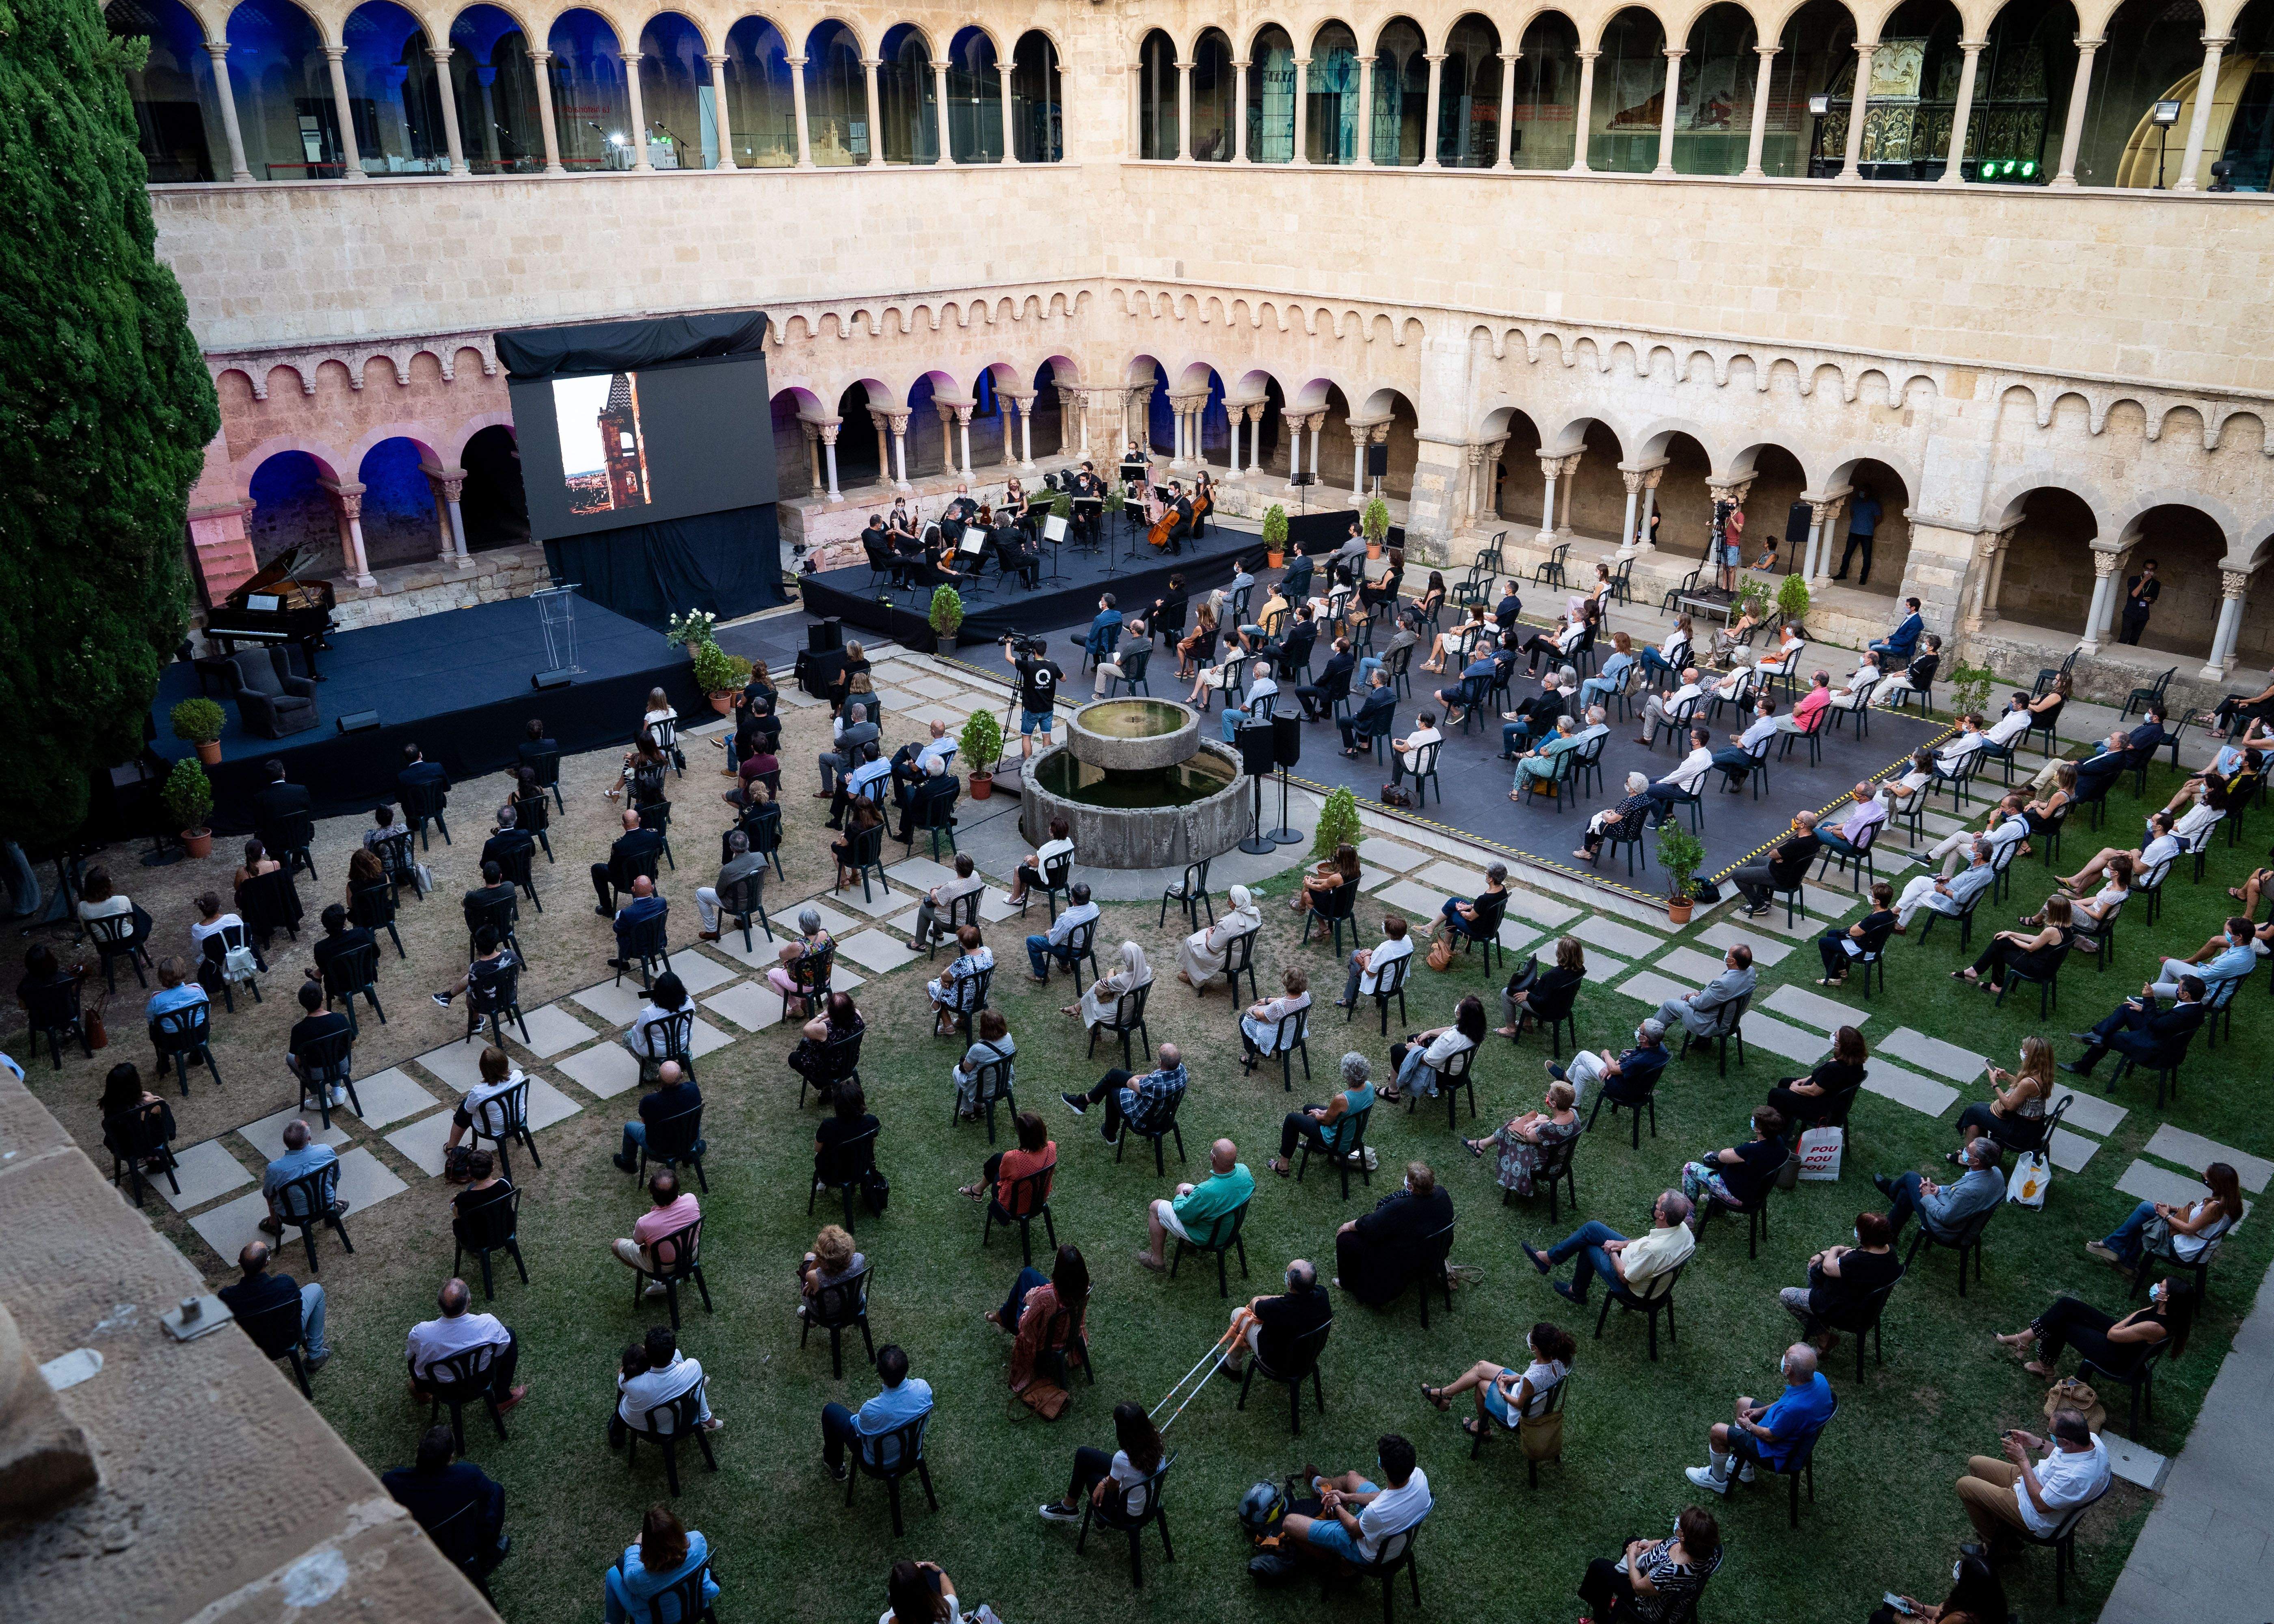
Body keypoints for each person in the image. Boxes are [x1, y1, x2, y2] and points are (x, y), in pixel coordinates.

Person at [1952, 1409, 2109, 1560]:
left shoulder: (2075, 1478)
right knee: (1976, 1463)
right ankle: (2006, 1534)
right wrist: (2037, 1442)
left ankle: (1997, 1549)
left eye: (2051, 1433)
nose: (2049, 1433)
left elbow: (2040, 1505)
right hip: (2032, 1481)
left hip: (2032, 1513)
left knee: (1964, 1486)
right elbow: (2062, 1451)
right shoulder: (2092, 1441)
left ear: (2066, 1441)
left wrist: (2022, 1460)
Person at [1683, 1343, 1835, 1496]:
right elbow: (1785, 1402)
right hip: (1793, 1432)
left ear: (1788, 1369)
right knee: (1743, 1403)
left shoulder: (1792, 1409)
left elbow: (1771, 1436)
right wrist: (1760, 1411)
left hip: (1775, 1450)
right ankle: (1743, 1467)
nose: (1784, 1354)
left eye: (1786, 1354)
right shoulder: (1819, 1379)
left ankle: (1718, 1480)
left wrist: (1749, 1425)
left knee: (1718, 1431)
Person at [1997, 1275, 2193, 1382]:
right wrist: (2124, 1324)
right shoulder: (2162, 1309)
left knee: (2063, 1323)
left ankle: (2040, 1360)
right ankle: (2026, 1342)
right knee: (2067, 1306)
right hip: (2123, 1339)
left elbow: (2114, 1334)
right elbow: (2133, 1318)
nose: (2157, 1286)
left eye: (2162, 1286)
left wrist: (2120, 1326)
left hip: (2116, 1356)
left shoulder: (2155, 1326)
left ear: (2167, 1298)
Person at [1279, 1435, 1433, 1570]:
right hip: (1391, 1536)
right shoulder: (1419, 1478)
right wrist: (1348, 1497)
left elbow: (1354, 1530)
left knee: (1289, 1523)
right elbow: (1384, 1496)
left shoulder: (1376, 1513)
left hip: (1366, 1550)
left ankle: (1341, 1565)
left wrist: (1337, 1505)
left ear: (1384, 1468)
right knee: (1352, 1477)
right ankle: (1317, 1484)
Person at [1524, 1190, 1697, 1307]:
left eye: (1657, 1205)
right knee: (1592, 1228)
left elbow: (1624, 1277)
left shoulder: (1653, 1251)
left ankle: (1577, 1292)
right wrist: (1621, 1244)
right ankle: (1547, 1259)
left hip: (1633, 1288)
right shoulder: (1684, 1231)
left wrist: (1613, 1251)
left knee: (1589, 1248)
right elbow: (1648, 1241)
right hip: (1641, 1263)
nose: (1654, 1205)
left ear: (1662, 1215)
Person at [1420, 1322, 1576, 1449]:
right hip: (1532, 1396)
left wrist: (1502, 1391)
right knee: (1481, 1367)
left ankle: (1483, 1428)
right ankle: (1446, 1394)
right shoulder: (1559, 1361)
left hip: (1520, 1413)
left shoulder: (1532, 1378)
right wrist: (1516, 1378)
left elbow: (1520, 1404)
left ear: (1536, 1348)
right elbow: (1538, 1381)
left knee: (1481, 1384)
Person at [383, 1425, 508, 1576]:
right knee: (497, 1491)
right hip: (464, 1544)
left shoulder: (392, 1482)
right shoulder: (468, 1475)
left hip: (423, 1551)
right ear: (450, 1457)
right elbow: (489, 1494)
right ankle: (488, 1555)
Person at [1335, 1161, 1456, 1304]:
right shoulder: (1442, 1193)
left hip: (1407, 1261)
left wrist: (1348, 1226)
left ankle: (1346, 1283)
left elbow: (1371, 1225)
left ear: (1410, 1187)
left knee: (1345, 1240)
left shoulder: (1401, 1207)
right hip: (1435, 1254)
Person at [1780, 1211, 1902, 1350]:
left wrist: (1834, 1249)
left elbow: (1828, 1267)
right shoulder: (1888, 1250)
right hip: (1864, 1302)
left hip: (1845, 1309)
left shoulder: (1859, 1262)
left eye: (1859, 1230)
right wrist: (1824, 1254)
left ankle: (1824, 1337)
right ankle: (1819, 1317)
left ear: (1867, 1237)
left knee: (1786, 1295)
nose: (1857, 1232)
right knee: (1814, 1268)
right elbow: (1850, 1254)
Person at [1577, 1506, 1721, 1623]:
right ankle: (1619, 1599)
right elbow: (1672, 1542)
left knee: (1599, 1568)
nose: (1677, 1522)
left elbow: (1638, 1587)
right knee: (1631, 1540)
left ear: (1684, 1538)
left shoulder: (1671, 1572)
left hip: (1649, 1605)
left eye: (1680, 1525)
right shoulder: (1706, 1548)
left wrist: (1632, 1556)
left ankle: (1599, 1620)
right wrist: (1653, 1544)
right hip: (1659, 1586)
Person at [2088, 1161, 2240, 1270]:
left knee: (2147, 1212)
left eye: (2208, 1177)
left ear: (2216, 1184)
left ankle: (2114, 1249)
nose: (2204, 1178)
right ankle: (2125, 1260)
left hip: (2186, 1248)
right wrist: (2175, 1209)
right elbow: (2203, 1220)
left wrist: (2166, 1215)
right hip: (2196, 1244)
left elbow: (2189, 1230)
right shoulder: (2233, 1203)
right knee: (2148, 1212)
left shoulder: (2215, 1207)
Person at [406, 1276, 525, 1410]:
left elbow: (410, 1357)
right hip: (480, 1380)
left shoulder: (421, 1333)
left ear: (440, 1304)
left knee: (414, 1357)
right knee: (510, 1335)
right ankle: (502, 1398)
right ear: (469, 1301)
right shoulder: (489, 1324)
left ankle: (421, 1392)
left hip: (439, 1387)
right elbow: (501, 1350)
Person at [821, 1342, 933, 1481]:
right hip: (912, 1452)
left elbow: (858, 1430)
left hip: (880, 1464)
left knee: (830, 1411)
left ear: (880, 1374)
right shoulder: (923, 1389)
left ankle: (836, 1466)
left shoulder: (872, 1410)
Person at [1137, 1135, 1249, 1273]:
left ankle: (1157, 1261)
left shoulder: (1207, 1193)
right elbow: (1213, 1193)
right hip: (1230, 1228)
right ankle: (1188, 1244)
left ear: (1213, 1158)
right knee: (1183, 1186)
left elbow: (1184, 1214)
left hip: (1208, 1236)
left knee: (1156, 1207)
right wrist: (1195, 1191)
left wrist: (1180, 1198)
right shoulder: (1244, 1172)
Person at [1038, 1397, 1161, 1522]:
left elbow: (1112, 1488)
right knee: (1084, 1454)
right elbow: (1124, 1474)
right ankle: (1068, 1506)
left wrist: (1102, 1483)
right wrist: (1106, 1480)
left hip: (1128, 1514)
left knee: (1091, 1476)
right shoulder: (1155, 1439)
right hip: (1148, 1500)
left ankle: (1084, 1514)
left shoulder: (1122, 1459)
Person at [2062, 973, 2208, 1077]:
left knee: (2108, 1037)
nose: (2177, 989)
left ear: (2186, 995)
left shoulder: (2185, 1014)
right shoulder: (2195, 1007)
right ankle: (2098, 1034)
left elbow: (2154, 1024)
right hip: (2162, 1037)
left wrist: (2149, 1000)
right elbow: (2166, 1020)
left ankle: (2083, 1066)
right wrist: (2144, 1009)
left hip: (2154, 1049)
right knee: (2128, 1009)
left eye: (2179, 988)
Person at [219, 1240, 330, 1368]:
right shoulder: (284, 1284)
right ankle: (316, 1355)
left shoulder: (227, 1297)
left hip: (253, 1344)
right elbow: (298, 1303)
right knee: (316, 1289)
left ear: (239, 1262)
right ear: (267, 1262)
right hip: (289, 1337)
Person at [1267, 1050, 1374, 1175]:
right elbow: (1340, 1112)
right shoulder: (1369, 1087)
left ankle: (1282, 1167)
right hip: (1353, 1134)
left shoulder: (1342, 1099)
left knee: (1291, 1119)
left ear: (1348, 1076)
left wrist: (1317, 1115)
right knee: (1308, 1108)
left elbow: (1326, 1121)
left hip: (1337, 1141)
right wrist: (1321, 1112)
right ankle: (1317, 1146)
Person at [605, 1505, 718, 1624]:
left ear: (649, 1546)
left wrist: (636, 1545)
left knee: (613, 1574)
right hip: (697, 1603)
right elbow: (686, 1539)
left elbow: (629, 1577)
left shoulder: (640, 1577)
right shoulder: (698, 1541)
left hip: (659, 1619)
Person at [1061, 1040, 1187, 1145]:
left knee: (1112, 1089)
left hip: (1145, 1119)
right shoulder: (1182, 1070)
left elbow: (1131, 1083)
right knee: (1114, 1075)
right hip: (1165, 1116)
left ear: (1161, 1062)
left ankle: (1109, 1133)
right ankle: (1083, 1102)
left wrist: (1136, 1077)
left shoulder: (1152, 1084)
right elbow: (1153, 1078)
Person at [1874, 1136, 2004, 1237]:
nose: (1965, 1150)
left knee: (1910, 1177)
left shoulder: (1970, 1191)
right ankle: (1889, 1235)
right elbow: (1959, 1190)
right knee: (1906, 1193)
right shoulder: (1996, 1173)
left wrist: (1928, 1196)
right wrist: (1940, 1189)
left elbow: (1945, 1218)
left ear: (1976, 1162)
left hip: (1944, 1228)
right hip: (1958, 1213)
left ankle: (1891, 1190)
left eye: (1969, 1150)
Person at [616, 1320, 722, 1439]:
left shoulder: (628, 1381)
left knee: (690, 1374)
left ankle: (703, 1407)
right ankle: (707, 1417)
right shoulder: (693, 1366)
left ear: (647, 1355)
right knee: (694, 1379)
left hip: (638, 1421)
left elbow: (623, 1377)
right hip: (674, 1421)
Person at [1680, 1106, 1790, 1220]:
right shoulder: (1779, 1142)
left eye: (1755, 1121)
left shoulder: (1752, 1150)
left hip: (1737, 1195)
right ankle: (1716, 1205)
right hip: (1756, 1192)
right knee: (1711, 1160)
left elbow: (1723, 1157)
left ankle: (1688, 1218)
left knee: (1690, 1168)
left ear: (1760, 1130)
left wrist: (1729, 1150)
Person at [1956, 893, 2072, 993]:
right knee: (2001, 942)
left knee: (1999, 950)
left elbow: (2031, 948)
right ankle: (1974, 972)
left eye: (2048, 907)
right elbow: (2037, 938)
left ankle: (1995, 985)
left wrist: (2012, 938)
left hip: (2036, 968)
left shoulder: (2051, 931)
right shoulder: (2067, 928)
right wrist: (2011, 933)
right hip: (2046, 964)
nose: (2046, 909)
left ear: (2055, 912)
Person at [1553, 1015, 1669, 1113]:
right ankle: (1574, 1107)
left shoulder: (1640, 1060)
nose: (1638, 1029)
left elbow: (1614, 1069)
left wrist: (1606, 1055)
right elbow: (1626, 1064)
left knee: (1583, 1055)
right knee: (1581, 1071)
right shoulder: (1660, 1048)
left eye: (1640, 1030)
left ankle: (1566, 1078)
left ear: (1644, 1039)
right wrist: (1617, 1065)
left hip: (1622, 1088)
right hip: (1636, 1085)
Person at [1386, 994, 1485, 1102]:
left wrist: (1415, 1049)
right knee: (1414, 1037)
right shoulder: (1476, 1029)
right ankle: (1398, 1074)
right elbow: (1453, 1028)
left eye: (1460, 1007)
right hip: (1458, 1071)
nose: (1457, 1008)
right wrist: (1429, 1033)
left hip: (1442, 1076)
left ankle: (1393, 1092)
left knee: (1397, 1050)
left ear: (1464, 1017)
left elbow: (1429, 1061)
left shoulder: (1451, 1040)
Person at [1766, 1026, 1869, 1127]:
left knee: (1775, 1094)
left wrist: (1796, 1088)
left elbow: (1813, 1092)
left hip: (1820, 1109)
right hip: (1834, 1103)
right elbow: (1823, 1079)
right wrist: (1805, 1080)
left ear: (1842, 1046)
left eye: (1836, 1037)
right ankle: (1785, 1126)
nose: (1833, 1036)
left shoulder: (1833, 1069)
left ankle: (1773, 1132)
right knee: (1785, 1082)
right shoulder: (1855, 1062)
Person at [1872, 1548, 2008, 1624]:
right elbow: (1942, 1609)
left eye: (1960, 1570)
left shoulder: (1962, 1618)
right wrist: (1921, 1608)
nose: (1957, 1568)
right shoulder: (1985, 1600)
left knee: (1879, 1618)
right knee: (1890, 1606)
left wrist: (1903, 1621)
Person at [1651, 944, 1755, 1041]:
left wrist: (1691, 998)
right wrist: (1699, 993)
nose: (1726, 954)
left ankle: (1650, 1035)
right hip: (1730, 1020)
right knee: (1686, 995)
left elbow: (1699, 1005)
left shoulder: (1723, 984)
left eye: (1729, 954)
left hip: (1710, 1022)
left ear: (1733, 961)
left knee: (1669, 1005)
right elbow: (1719, 995)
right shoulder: (1750, 972)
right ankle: (1702, 1043)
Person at [2062, 812, 2178, 899]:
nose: (2149, 822)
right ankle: (2077, 886)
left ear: (2159, 828)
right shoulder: (2170, 841)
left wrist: (2135, 854)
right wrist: (2131, 855)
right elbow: (2153, 858)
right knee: (2107, 853)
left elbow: (2139, 870)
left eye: (2152, 821)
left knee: (2105, 863)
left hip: (2142, 880)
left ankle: (2077, 886)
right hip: (2153, 876)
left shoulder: (2156, 847)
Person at [257, 1117, 340, 1238]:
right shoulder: (326, 1151)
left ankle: (274, 1224)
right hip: (326, 1204)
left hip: (293, 1216)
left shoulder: (275, 1169)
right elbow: (336, 1177)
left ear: (285, 1142)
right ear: (309, 1138)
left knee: (271, 1194)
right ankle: (332, 1212)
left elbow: (268, 1194)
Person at [1892, 839, 1996, 930]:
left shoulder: (1980, 875)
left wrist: (1944, 891)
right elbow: (1966, 884)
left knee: (1919, 897)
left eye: (1972, 849)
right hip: (1949, 887)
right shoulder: (1978, 864)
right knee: (1919, 881)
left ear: (1979, 855)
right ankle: (1896, 910)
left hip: (1954, 905)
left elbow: (1961, 898)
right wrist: (1949, 880)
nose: (1969, 850)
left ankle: (1900, 926)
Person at [443, 1045, 525, 1159]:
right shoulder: (519, 1075)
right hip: (518, 1119)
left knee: (464, 1107)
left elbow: (469, 1110)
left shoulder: (479, 1093)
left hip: (493, 1129)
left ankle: (451, 1147)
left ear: (483, 1069)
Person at [1731, 812, 1820, 918]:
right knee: (1755, 861)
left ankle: (1758, 906)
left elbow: (1772, 854)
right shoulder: (1814, 838)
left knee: (1737, 875)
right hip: (1791, 873)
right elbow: (1784, 852)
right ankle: (1765, 899)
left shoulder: (1796, 844)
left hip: (1778, 876)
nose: (1794, 819)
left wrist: (1777, 855)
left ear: (1802, 825)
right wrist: (1780, 855)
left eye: (1797, 818)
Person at [1176, 883, 1261, 993]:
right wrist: (1218, 930)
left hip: (1230, 959)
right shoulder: (1255, 912)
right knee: (1197, 939)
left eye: (1230, 899)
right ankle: (1189, 972)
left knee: (1191, 942)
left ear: (1235, 902)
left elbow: (1213, 949)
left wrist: (1208, 935)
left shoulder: (1227, 922)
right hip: (1245, 955)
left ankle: (1192, 976)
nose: (1228, 901)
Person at [1812, 883, 1896, 989]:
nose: (1869, 896)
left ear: (1878, 902)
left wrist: (1860, 923)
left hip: (1863, 951)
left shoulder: (1874, 919)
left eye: (1872, 895)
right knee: (1832, 933)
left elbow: (1853, 932)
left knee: (1824, 942)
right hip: (1875, 947)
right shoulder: (1888, 914)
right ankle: (1841, 969)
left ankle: (1834, 978)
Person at [282, 980, 351, 1107]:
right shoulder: (340, 1019)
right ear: (323, 998)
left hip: (316, 1072)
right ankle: (337, 1091)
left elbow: (298, 1060)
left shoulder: (299, 1030)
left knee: (290, 1058)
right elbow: (350, 1042)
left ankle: (319, 1097)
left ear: (302, 1004)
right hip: (342, 1065)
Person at [694, 829, 764, 943]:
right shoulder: (760, 857)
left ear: (731, 848)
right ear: (748, 844)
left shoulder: (729, 869)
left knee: (701, 893)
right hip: (755, 899)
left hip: (736, 904)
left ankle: (712, 931)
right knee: (741, 890)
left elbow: (719, 892)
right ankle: (741, 920)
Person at [591, 806, 664, 915]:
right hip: (649, 876)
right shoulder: (653, 835)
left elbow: (612, 869)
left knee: (596, 869)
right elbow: (661, 852)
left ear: (623, 824)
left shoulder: (620, 845)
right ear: (639, 820)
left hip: (627, 882)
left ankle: (607, 909)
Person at [1025, 880, 1098, 983]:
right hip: (1086, 946)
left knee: (1032, 941)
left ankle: (1041, 975)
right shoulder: (1094, 907)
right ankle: (1064, 966)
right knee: (1062, 933)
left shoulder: (1066, 919)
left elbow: (1053, 942)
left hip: (1070, 951)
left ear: (1072, 899)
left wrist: (1048, 933)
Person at [924, 923, 992, 1035]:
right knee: (961, 984)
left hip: (962, 1003)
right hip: (980, 997)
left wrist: (945, 981)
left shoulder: (962, 963)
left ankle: (948, 1026)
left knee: (930, 986)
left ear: (962, 944)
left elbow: (944, 975)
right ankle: (962, 1021)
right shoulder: (987, 952)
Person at [910, 854, 986, 952]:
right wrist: (943, 886)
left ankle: (919, 944)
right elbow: (956, 884)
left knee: (924, 909)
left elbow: (935, 899)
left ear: (956, 868)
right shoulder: (975, 875)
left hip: (954, 924)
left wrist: (934, 889)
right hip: (972, 919)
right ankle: (938, 932)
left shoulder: (951, 888)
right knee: (945, 906)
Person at [949, 1008, 1015, 1121]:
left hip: (983, 1091)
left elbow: (966, 1068)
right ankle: (979, 1107)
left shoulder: (978, 1049)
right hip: (1002, 1085)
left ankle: (969, 1111)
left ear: (983, 1028)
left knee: (957, 1070)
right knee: (985, 1075)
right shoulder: (1008, 1038)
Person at [430, 924, 515, 1011]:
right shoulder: (510, 955)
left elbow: (472, 986)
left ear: (477, 947)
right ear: (496, 942)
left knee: (470, 992)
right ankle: (448, 996)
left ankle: (476, 1022)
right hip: (511, 996)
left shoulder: (476, 968)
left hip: (488, 1005)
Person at [813, 1081, 880, 1192]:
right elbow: (871, 1144)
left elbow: (817, 1149)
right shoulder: (872, 1122)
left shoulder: (828, 1125)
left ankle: (822, 1184)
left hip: (832, 1173)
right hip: (860, 1169)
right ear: (861, 1101)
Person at [1239, 964, 1311, 1063]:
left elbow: (1262, 1017)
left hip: (1278, 1038)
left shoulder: (1279, 1006)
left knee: (1243, 1018)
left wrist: (1253, 1010)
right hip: (1295, 1033)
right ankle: (1261, 1049)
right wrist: (1269, 1000)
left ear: (1286, 984)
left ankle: (1250, 1058)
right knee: (1267, 1002)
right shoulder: (1305, 995)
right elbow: (1288, 1000)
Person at [1011, 634, 1066, 760]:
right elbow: (1064, 678)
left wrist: (1008, 643)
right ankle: (1045, 763)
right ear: (1045, 651)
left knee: (1026, 737)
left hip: (1032, 710)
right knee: (1047, 737)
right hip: (1048, 709)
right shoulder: (1053, 665)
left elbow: (1009, 658)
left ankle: (1028, 765)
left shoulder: (1028, 666)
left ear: (1033, 651)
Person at [1078, 939, 1154, 1031]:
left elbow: (1107, 981)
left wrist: (1111, 970)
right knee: (1097, 988)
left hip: (1119, 1017)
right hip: (1135, 1014)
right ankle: (1076, 1008)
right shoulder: (1148, 971)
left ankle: (1094, 1030)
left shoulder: (1121, 981)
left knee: (1096, 990)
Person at [1645, 728, 1716, 822]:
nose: (1689, 739)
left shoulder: (1693, 761)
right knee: (1653, 780)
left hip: (1685, 791)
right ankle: (1668, 814)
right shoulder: (1707, 753)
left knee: (1645, 790)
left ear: (1697, 742)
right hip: (1691, 786)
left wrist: (1662, 782)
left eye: (1691, 737)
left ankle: (1662, 820)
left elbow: (1677, 777)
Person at [770, 907, 837, 1006]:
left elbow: (782, 955)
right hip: (824, 979)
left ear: (802, 926)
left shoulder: (798, 946)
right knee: (802, 969)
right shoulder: (827, 935)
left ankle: (795, 1008)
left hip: (806, 986)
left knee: (772, 974)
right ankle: (804, 1004)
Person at [1004, 815, 1074, 908]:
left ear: (1052, 833)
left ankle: (1015, 897)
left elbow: (1033, 863)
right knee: (1026, 870)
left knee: (1018, 870)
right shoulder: (1069, 842)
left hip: (1045, 882)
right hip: (1060, 879)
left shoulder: (1046, 849)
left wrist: (1029, 859)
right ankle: (1021, 895)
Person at [1580, 773, 1654, 862]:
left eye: (1628, 783)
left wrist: (1604, 813)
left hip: (1623, 831)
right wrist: (1616, 812)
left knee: (1594, 821)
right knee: (1599, 821)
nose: (1626, 784)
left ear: (1633, 789)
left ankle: (1586, 851)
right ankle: (1594, 846)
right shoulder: (1644, 798)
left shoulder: (1629, 803)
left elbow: (1611, 820)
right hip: (1635, 830)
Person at [1816, 783, 1888, 869]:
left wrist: (1831, 831)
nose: (1853, 792)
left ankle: (1807, 853)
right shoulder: (1877, 807)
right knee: (1826, 824)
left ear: (1864, 797)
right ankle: (1812, 851)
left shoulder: (1860, 816)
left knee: (1814, 831)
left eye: (1856, 792)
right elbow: (1850, 824)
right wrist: (1832, 827)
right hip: (1865, 843)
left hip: (1852, 846)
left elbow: (1843, 836)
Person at [1634, 666, 1704, 747]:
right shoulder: (1698, 690)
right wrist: (1674, 698)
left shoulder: (1681, 694)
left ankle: (1643, 716)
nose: (1681, 676)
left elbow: (1666, 711)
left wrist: (1664, 699)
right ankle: (1647, 738)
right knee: (1650, 709)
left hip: (1675, 720)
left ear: (1689, 679)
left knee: (1652, 698)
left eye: (1683, 675)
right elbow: (1684, 703)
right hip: (1687, 719)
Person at [879, 1559, 962, 1624]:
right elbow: (950, 1593)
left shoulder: (885, 1620)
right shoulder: (946, 1612)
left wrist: (909, 1578)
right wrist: (940, 1571)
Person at [1338, 669, 1399, 757]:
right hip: (1385, 725)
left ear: (1376, 681)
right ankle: (1364, 745)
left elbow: (1362, 715)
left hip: (1372, 726)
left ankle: (1351, 750)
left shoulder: (1373, 699)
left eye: (1373, 677)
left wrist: (1357, 715)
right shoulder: (1391, 692)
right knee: (1364, 716)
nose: (1371, 678)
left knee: (1344, 721)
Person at [1298, 634, 1357, 721]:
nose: (1334, 644)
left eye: (1336, 643)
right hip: (1342, 689)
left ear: (1338, 649)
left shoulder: (1334, 662)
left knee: (1299, 691)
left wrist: (1316, 684)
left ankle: (1312, 715)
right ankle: (1326, 712)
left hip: (1332, 691)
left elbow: (1324, 678)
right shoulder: (1350, 657)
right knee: (1328, 682)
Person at [1876, 634, 1942, 709]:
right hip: (1918, 680)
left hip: (1917, 683)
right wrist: (1902, 671)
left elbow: (1914, 673)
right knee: (1890, 676)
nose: (1923, 645)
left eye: (1926, 643)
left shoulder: (1928, 659)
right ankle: (1888, 700)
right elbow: (1915, 666)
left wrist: (1901, 675)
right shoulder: (1932, 656)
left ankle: (1872, 700)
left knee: (1890, 682)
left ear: (1931, 648)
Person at [1833, 482, 1881, 582]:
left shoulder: (1874, 504)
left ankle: (1863, 578)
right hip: (1854, 532)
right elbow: (1852, 514)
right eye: (1861, 490)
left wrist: (1870, 526)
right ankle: (1843, 573)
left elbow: (1879, 519)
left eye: (1864, 491)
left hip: (1867, 534)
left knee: (1867, 556)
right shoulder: (1856, 501)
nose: (1862, 493)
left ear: (1869, 492)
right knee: (1847, 554)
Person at [1870, 596, 1926, 663]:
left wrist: (1890, 643)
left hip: (1903, 648)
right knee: (1872, 643)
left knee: (1874, 648)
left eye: (1907, 605)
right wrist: (1890, 639)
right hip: (1897, 642)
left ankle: (1878, 666)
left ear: (1913, 608)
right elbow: (1900, 634)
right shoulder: (1910, 618)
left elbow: (1906, 640)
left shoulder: (1916, 622)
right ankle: (1884, 667)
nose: (1905, 607)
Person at [2118, 557, 2159, 644]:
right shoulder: (2133, 579)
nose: (2149, 571)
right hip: (2130, 613)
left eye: (2152, 570)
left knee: (2135, 639)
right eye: (2147, 569)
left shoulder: (2156, 584)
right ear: (2144, 569)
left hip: (2143, 615)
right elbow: (2134, 594)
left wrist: (2150, 599)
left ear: (2155, 571)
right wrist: (2144, 581)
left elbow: (2153, 601)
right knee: (2124, 637)